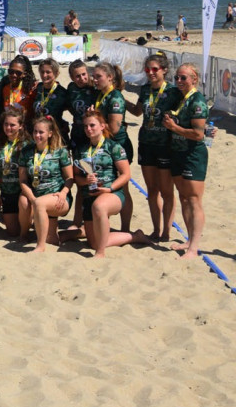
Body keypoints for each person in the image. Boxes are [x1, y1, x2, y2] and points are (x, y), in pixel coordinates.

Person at [73, 112, 149, 258]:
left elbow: (126, 174)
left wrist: (110, 188)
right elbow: (76, 176)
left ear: (102, 126)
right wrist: (85, 181)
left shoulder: (113, 146)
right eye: (86, 126)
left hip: (112, 193)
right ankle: (134, 237)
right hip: (89, 194)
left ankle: (100, 253)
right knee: (94, 242)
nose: (89, 129)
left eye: (92, 125)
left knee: (99, 207)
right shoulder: (81, 149)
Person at [125, 53, 181, 242]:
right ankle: (156, 230)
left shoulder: (174, 91)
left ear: (164, 70)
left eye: (155, 69)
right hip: (146, 144)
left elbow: (187, 113)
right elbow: (137, 111)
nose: (150, 73)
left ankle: (166, 231)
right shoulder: (145, 89)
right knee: (152, 189)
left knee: (167, 191)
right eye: (147, 69)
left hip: (166, 145)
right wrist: (119, 98)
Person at [163, 63, 210, 259]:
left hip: (193, 155)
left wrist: (175, 128)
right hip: (177, 153)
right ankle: (189, 240)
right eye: (177, 78)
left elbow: (199, 135)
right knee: (183, 198)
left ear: (194, 79)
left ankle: (194, 247)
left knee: (194, 200)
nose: (179, 81)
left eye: (184, 78)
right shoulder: (179, 97)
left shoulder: (197, 101)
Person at [18, 117, 73, 251]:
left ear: (50, 133)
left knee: (40, 204)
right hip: (36, 195)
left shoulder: (60, 151)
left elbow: (70, 178)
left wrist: (63, 192)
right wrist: (32, 198)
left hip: (57, 196)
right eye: (35, 132)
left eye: (41, 132)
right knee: (24, 201)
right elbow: (23, 181)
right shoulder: (26, 152)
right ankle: (24, 234)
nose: (37, 135)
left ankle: (40, 246)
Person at [90, 62, 134, 229]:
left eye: (98, 76)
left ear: (110, 77)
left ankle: (125, 227)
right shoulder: (102, 94)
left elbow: (114, 128)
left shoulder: (114, 96)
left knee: (123, 187)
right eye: (94, 76)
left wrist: (95, 121)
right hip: (106, 144)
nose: (94, 80)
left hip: (118, 144)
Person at [0, 106, 29, 238]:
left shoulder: (28, 145)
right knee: (12, 232)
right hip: (7, 192)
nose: (8, 128)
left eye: (12, 125)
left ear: (21, 126)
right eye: (6, 124)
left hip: (23, 192)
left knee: (24, 231)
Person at [34, 59, 69, 138]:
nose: (44, 75)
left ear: (56, 73)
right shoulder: (37, 88)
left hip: (55, 134)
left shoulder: (62, 92)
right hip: (38, 133)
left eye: (48, 72)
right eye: (42, 72)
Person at [1, 55, 37, 124]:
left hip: (25, 129)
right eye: (11, 71)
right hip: (9, 128)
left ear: (24, 74)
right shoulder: (6, 89)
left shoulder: (31, 89)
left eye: (18, 73)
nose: (14, 75)